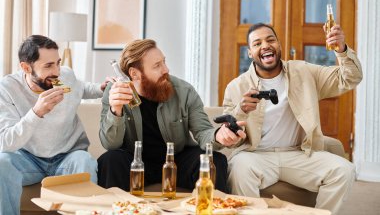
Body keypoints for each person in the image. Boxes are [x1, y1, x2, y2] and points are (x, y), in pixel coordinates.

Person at [223, 23, 362, 214]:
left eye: (270, 40)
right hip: (256, 155)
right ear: (250, 52)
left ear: (279, 45)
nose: (265, 45)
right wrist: (241, 111)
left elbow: (350, 78)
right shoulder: (236, 87)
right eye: (257, 43)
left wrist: (342, 50)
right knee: (239, 167)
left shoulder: (304, 72)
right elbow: (228, 140)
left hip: (298, 153)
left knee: (344, 170)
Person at [97, 39, 246, 192]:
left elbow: (202, 131)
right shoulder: (114, 91)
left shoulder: (184, 91)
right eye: (157, 66)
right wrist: (116, 109)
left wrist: (218, 135)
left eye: (164, 62)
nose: (166, 69)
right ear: (135, 74)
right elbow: (110, 144)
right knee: (110, 160)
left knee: (214, 160)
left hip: (176, 160)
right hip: (135, 161)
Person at [0, 35, 110, 215]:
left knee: (85, 161)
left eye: (57, 63)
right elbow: (5, 142)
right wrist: (36, 113)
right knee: (1, 162)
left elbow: (81, 88)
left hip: (67, 156)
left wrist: (101, 89)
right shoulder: (7, 88)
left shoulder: (65, 75)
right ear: (26, 67)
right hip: (28, 159)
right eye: (48, 65)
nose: (57, 71)